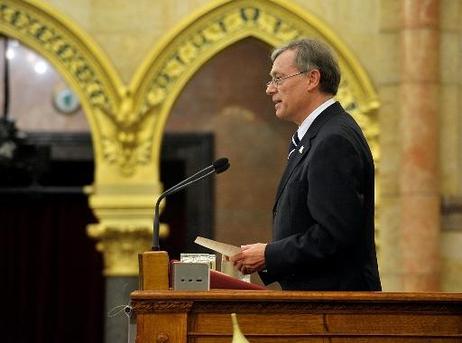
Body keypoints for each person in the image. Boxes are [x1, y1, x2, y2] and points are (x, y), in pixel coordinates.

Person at [230, 38, 382, 291]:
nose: (270, 89)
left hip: (336, 309)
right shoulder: (317, 136)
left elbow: (334, 235)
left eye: (278, 78)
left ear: (312, 79)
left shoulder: (333, 139)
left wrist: (269, 254)